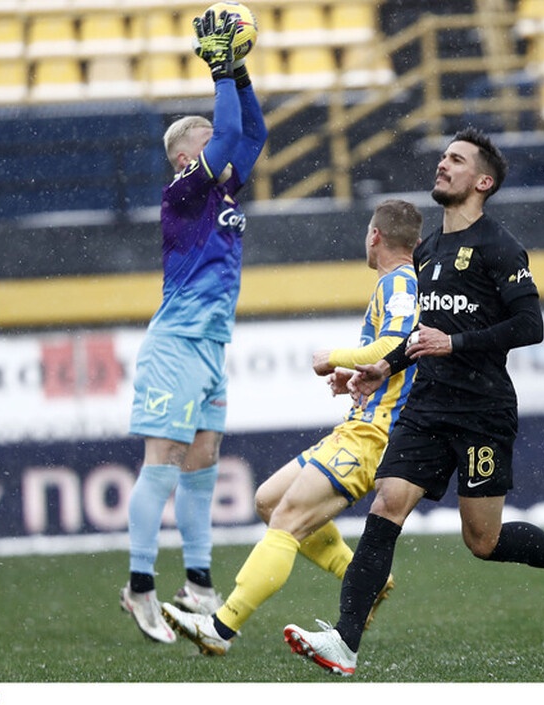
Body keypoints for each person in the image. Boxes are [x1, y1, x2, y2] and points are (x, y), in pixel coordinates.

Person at [282, 127, 544, 677]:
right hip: (427, 404)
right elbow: (420, 333)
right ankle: (345, 642)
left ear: (482, 181)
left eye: (456, 160)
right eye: (443, 157)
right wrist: (381, 369)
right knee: (387, 504)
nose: (443, 164)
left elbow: (530, 324)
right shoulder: (429, 250)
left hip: (482, 410)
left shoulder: (499, 246)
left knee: (482, 541)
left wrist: (456, 343)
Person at [159, 199, 423, 655]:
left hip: (373, 435)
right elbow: (394, 359)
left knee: (287, 521)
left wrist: (335, 357)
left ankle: (220, 628)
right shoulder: (392, 283)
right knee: (269, 500)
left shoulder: (399, 282)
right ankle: (362, 578)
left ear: (375, 236)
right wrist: (358, 376)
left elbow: (398, 341)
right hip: (360, 424)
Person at [120, 7, 267, 643]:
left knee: (203, 459)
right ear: (185, 155)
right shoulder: (184, 192)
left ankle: (200, 585)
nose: (224, 146)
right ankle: (140, 585)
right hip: (176, 343)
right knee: (164, 459)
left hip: (209, 347)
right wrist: (220, 73)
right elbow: (233, 134)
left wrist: (240, 74)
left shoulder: (223, 192)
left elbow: (250, 135)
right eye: (209, 139)